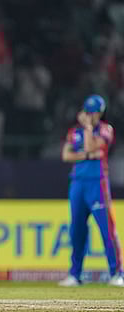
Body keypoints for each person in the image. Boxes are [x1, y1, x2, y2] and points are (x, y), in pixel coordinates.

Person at [59, 94, 124, 287]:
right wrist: (88, 155)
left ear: (100, 113)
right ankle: (75, 274)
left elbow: (91, 144)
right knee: (77, 230)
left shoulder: (106, 130)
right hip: (78, 183)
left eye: (93, 113)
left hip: (98, 183)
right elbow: (65, 155)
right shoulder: (74, 132)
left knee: (107, 229)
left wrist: (87, 130)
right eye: (88, 112)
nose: (90, 116)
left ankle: (117, 273)